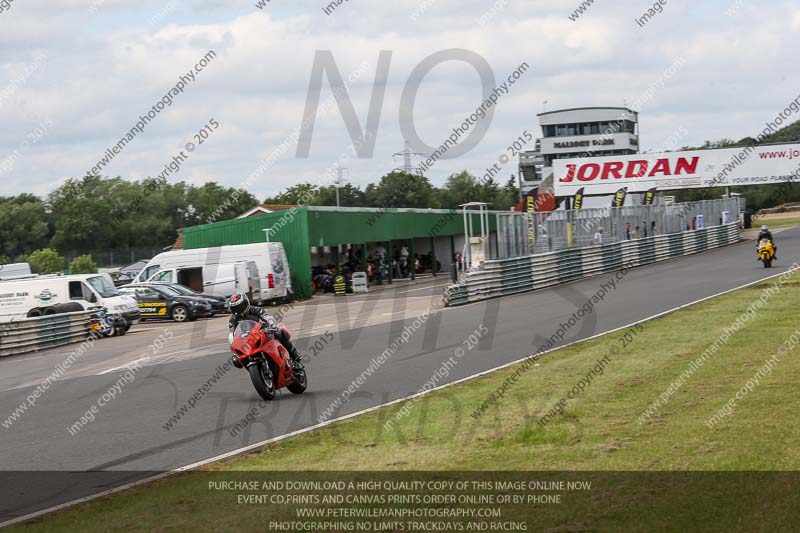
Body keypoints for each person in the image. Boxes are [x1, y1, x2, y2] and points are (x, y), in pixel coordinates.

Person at [227, 293, 302, 370]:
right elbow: (233, 333)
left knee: (280, 332)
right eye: (234, 308)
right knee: (236, 359)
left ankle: (295, 357)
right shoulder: (233, 320)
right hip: (248, 340)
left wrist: (271, 325)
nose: (237, 311)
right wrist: (234, 346)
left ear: (246, 304)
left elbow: (267, 317)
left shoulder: (255, 310)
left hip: (263, 332)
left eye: (239, 307)